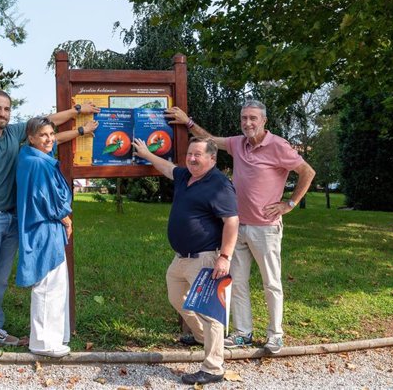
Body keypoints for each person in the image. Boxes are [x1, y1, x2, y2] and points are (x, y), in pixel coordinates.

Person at [0, 90, 99, 355]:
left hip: (13, 218)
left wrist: (78, 115)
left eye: (7, 109)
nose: (3, 114)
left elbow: (47, 127)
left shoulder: (14, 134)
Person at [165, 100, 316, 354]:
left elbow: (307, 171)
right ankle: (242, 333)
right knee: (237, 283)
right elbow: (210, 139)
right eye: (244, 118)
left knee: (271, 282)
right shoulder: (238, 144)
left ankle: (275, 334)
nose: (248, 123)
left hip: (265, 228)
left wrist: (289, 203)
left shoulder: (277, 145)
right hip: (236, 226)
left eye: (253, 118)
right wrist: (188, 122)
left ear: (264, 121)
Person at [133, 136, 238, 385]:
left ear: (212, 158)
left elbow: (232, 221)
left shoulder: (219, 185)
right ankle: (203, 338)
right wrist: (147, 154)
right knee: (176, 297)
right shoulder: (185, 177)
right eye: (190, 154)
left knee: (210, 313)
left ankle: (213, 367)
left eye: (198, 155)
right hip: (181, 258)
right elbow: (168, 167)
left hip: (206, 258)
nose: (192, 158)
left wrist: (224, 257)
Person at [15, 117, 76, 358]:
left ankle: (55, 336)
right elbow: (46, 198)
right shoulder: (38, 163)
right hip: (43, 228)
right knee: (48, 284)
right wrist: (65, 217)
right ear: (31, 137)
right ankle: (43, 343)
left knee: (54, 284)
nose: (49, 139)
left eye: (51, 134)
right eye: (43, 135)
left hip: (41, 226)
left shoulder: (28, 157)